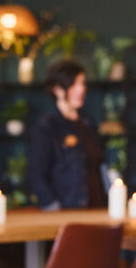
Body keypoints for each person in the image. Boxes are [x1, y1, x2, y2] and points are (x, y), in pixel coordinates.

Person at [28, 60, 105, 210]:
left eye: (82, 83)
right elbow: (36, 175)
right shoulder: (47, 128)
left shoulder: (89, 124)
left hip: (97, 210)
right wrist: (53, 207)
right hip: (67, 213)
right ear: (58, 90)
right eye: (74, 84)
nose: (81, 89)